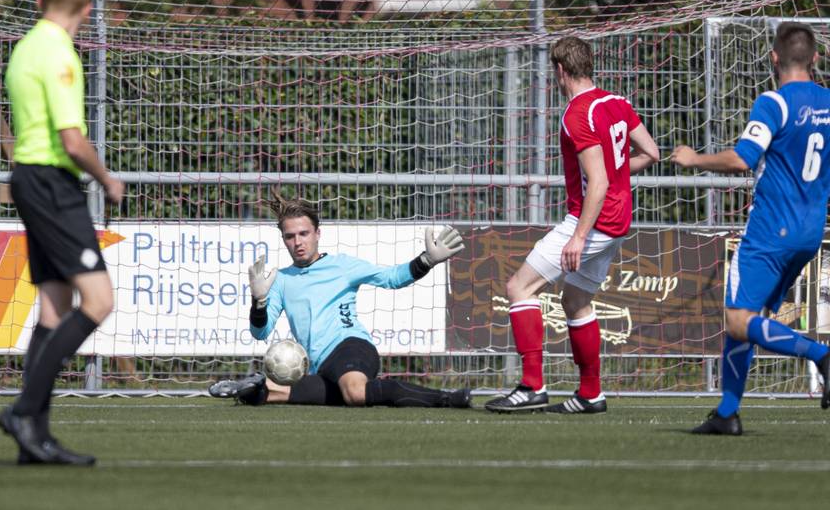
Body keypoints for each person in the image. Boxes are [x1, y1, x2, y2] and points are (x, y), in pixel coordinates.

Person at [485, 36, 659, 414]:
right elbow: (651, 152)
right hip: (617, 222)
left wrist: (579, 236)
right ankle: (590, 394)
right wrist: (614, 176)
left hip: (593, 222)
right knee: (575, 300)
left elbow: (597, 181)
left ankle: (532, 386)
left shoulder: (577, 113)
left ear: (560, 70)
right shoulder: (617, 102)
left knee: (519, 288)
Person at [674, 22, 830, 435]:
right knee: (746, 317)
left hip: (770, 230)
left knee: (737, 319)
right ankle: (727, 413)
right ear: (815, 58)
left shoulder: (773, 102)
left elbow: (743, 158)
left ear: (774, 58)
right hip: (811, 232)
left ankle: (820, 355)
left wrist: (694, 159)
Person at [0, 0, 123, 466]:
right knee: (99, 300)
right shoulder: (60, 54)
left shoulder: (25, 48)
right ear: (86, 11)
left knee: (54, 307)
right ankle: (23, 411)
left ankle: (36, 438)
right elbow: (72, 140)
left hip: (29, 179)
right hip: (52, 182)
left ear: (39, 2)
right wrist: (107, 178)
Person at [208, 194, 470, 409]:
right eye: (290, 236)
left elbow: (392, 278)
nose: (298, 242)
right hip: (318, 366)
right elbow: (260, 332)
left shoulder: (343, 266)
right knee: (270, 394)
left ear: (317, 233)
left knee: (355, 393)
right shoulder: (280, 280)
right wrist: (259, 300)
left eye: (304, 233)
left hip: (350, 346)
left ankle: (448, 398)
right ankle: (258, 388)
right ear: (284, 239)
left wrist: (427, 260)